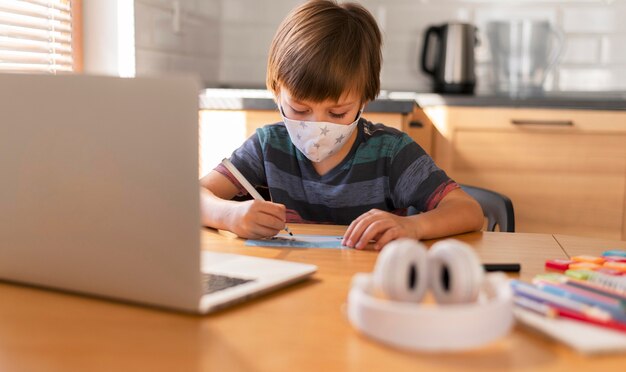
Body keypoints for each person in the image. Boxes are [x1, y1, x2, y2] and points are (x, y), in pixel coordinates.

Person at [200, 0, 483, 250]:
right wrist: (229, 215)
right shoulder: (267, 146)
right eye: (300, 108)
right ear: (276, 91)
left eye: (337, 113)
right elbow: (191, 195)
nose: (317, 125)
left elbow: (468, 211)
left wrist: (415, 226)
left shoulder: (391, 153)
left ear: (364, 100)